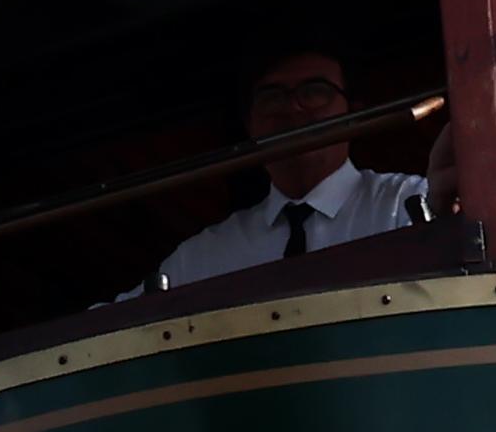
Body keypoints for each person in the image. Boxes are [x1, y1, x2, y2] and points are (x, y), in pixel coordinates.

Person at [149, 49, 431, 292]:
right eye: (272, 97)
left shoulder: (407, 204)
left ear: (352, 115)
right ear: (250, 126)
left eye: (314, 92)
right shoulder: (206, 255)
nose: (293, 109)